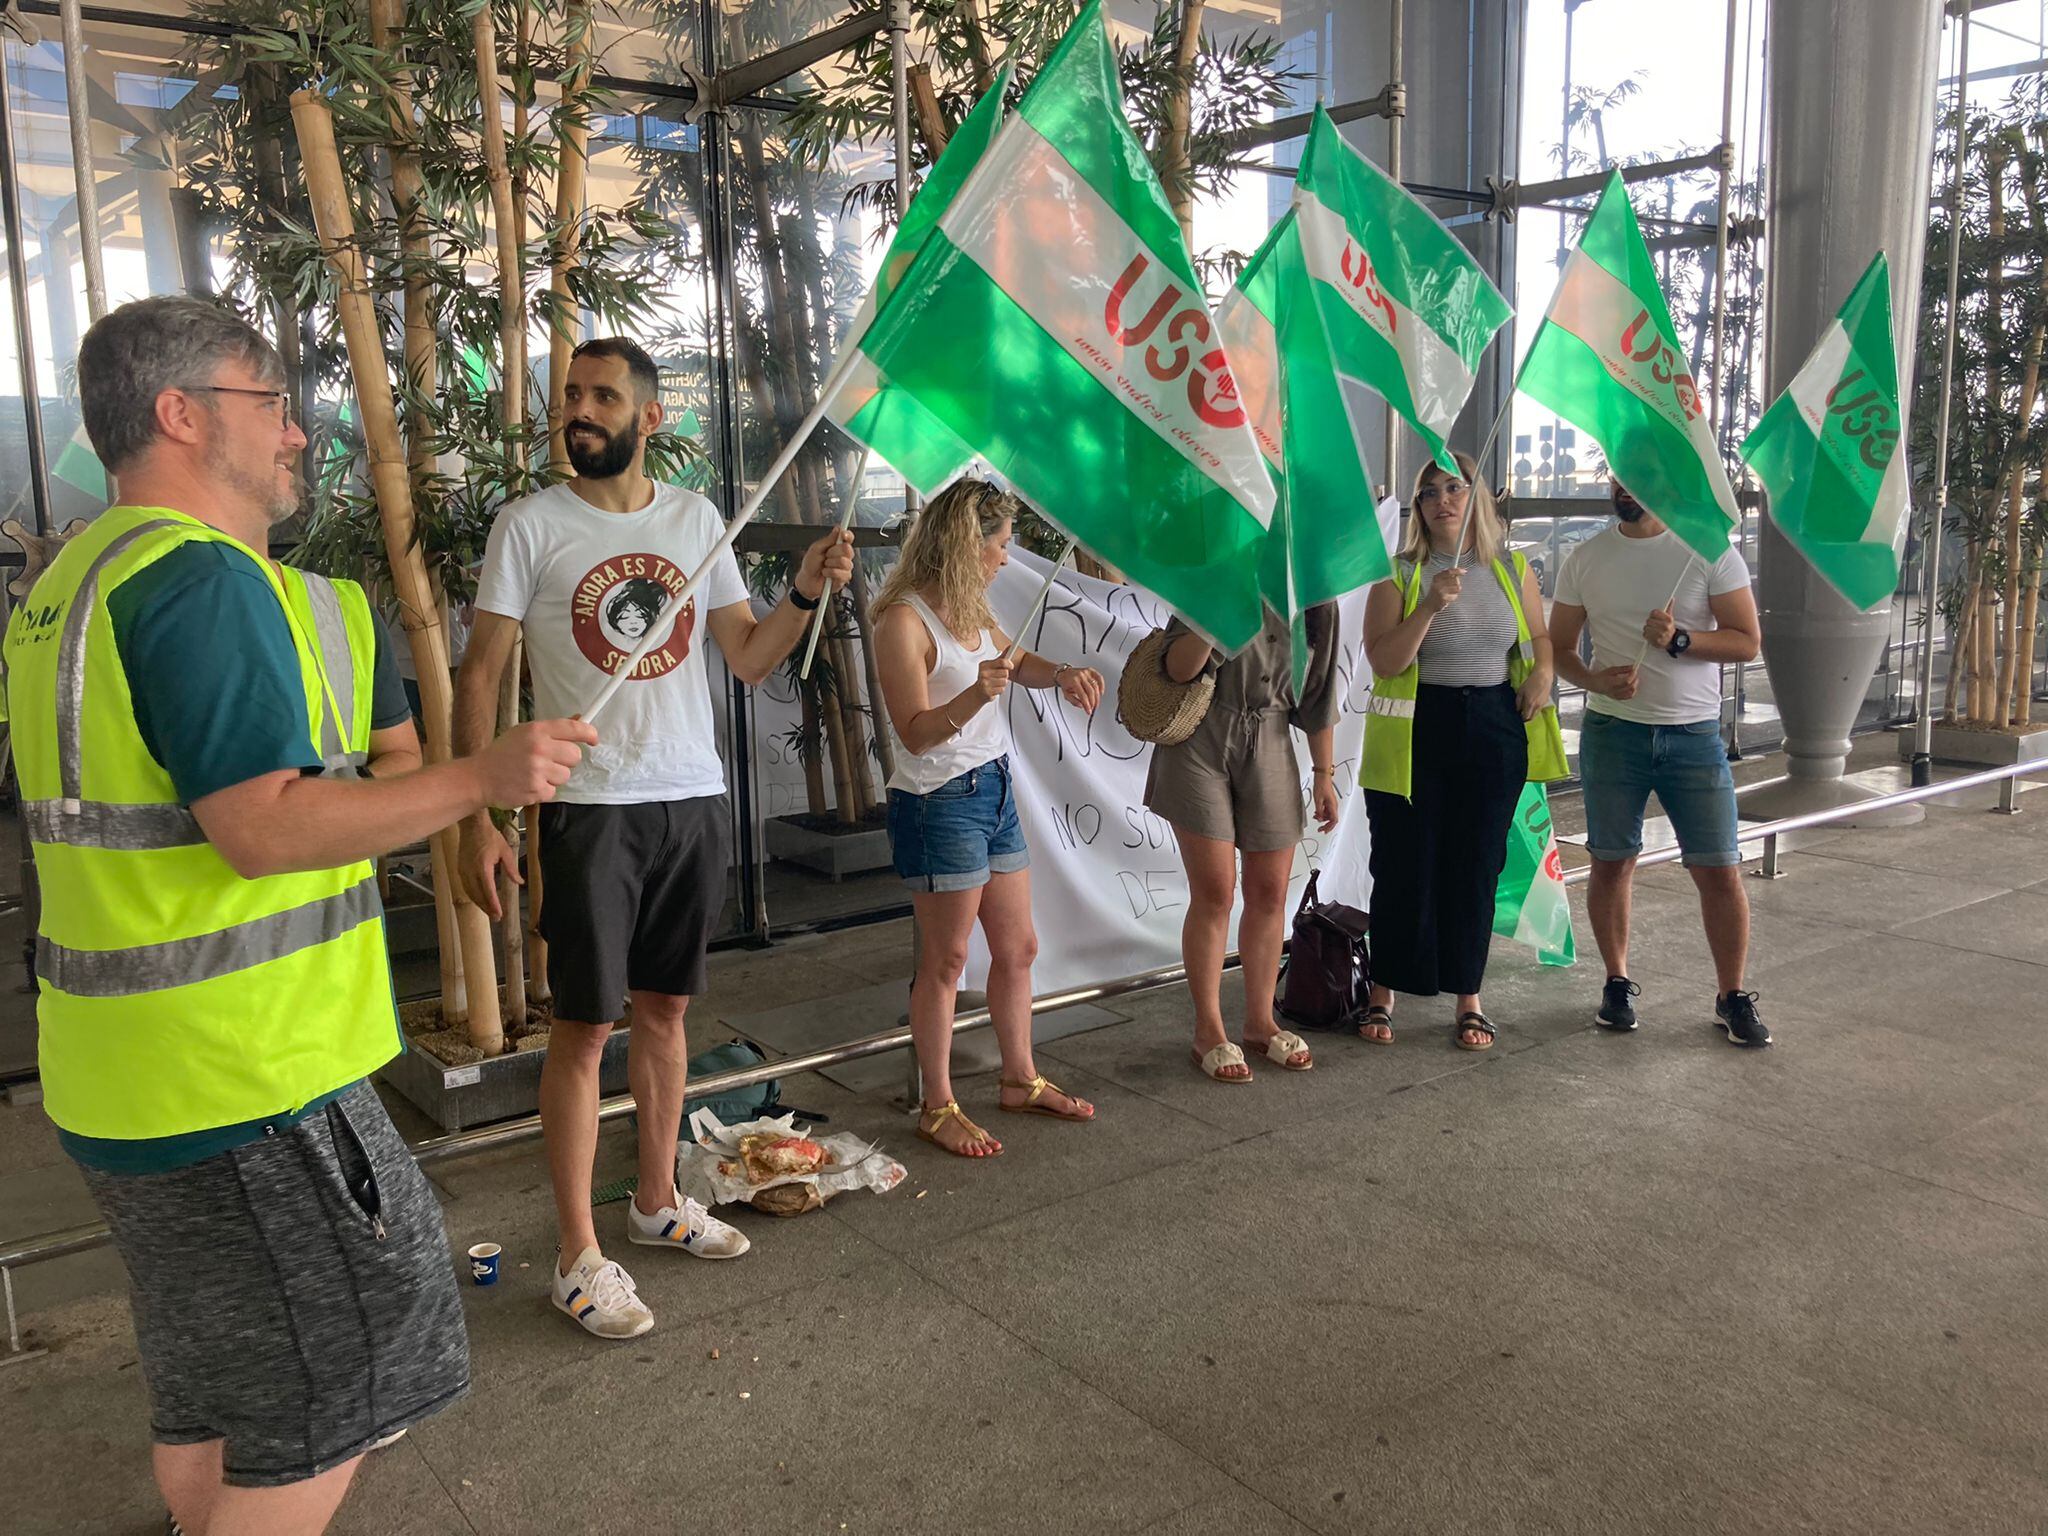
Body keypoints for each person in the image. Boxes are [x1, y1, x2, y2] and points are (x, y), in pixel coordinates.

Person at [0, 295, 593, 1536]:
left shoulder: (67, 585)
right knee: (350, 1371)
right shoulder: (196, 584)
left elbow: (363, 773)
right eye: (268, 405)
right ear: (178, 413)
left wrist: (451, 811)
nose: (294, 435)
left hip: (125, 1075)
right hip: (244, 1078)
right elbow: (261, 826)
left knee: (218, 1386)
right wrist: (484, 779)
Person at [454, 337, 854, 1339]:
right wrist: (478, 815)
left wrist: (803, 591)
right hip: (587, 809)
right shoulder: (529, 523)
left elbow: (751, 658)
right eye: (568, 397)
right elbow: (478, 675)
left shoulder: (695, 521)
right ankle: (577, 1253)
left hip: (690, 799)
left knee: (667, 1014)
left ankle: (655, 1202)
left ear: (649, 417)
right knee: (585, 1029)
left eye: (598, 396)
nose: (576, 412)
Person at [871, 480, 1107, 1157]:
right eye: (1001, 544)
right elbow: (914, 733)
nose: (1008, 557)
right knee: (946, 959)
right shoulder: (903, 620)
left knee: (1019, 947)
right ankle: (937, 1103)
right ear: (964, 543)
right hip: (937, 800)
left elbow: (1013, 660)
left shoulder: (970, 606)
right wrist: (977, 693)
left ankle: (1018, 1078)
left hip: (994, 789)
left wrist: (1060, 673)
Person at [1549, 477, 1771, 1047]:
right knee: (1611, 861)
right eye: (1619, 477)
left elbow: (1747, 641)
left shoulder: (1708, 550)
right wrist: (1594, 680)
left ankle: (1732, 996)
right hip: (1612, 733)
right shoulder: (1587, 557)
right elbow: (1560, 648)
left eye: (1643, 477)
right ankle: (1616, 983)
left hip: (1693, 738)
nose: (1628, 488)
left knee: (1718, 867)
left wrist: (1680, 641)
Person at [1358, 453, 1560, 1051]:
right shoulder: (1397, 572)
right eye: (1429, 492)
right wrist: (1428, 605)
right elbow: (1384, 659)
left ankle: (1468, 997)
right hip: (1419, 729)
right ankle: (1384, 989)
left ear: (1478, 498)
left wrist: (1544, 673)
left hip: (1495, 723)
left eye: (1456, 487)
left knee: (1477, 864)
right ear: (1417, 508)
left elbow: (1540, 636)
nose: (1443, 499)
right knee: (1403, 862)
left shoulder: (1512, 567)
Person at [1146, 605, 1341, 1083]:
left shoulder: (1316, 596)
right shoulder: (1222, 571)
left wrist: (1323, 775)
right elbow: (1177, 669)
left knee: (1271, 891)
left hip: (1272, 735)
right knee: (1215, 891)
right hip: (1201, 736)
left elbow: (1318, 697)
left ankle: (1260, 1022)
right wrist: (1222, 608)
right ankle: (1207, 1029)